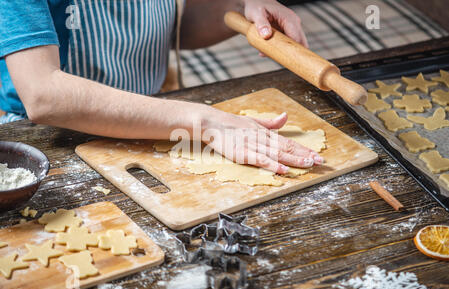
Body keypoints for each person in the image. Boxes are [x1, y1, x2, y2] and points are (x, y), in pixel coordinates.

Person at [0, 0, 323, 174]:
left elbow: (174, 29)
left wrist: (241, 8)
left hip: (157, 119)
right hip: (49, 143)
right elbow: (44, 95)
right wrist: (206, 121)